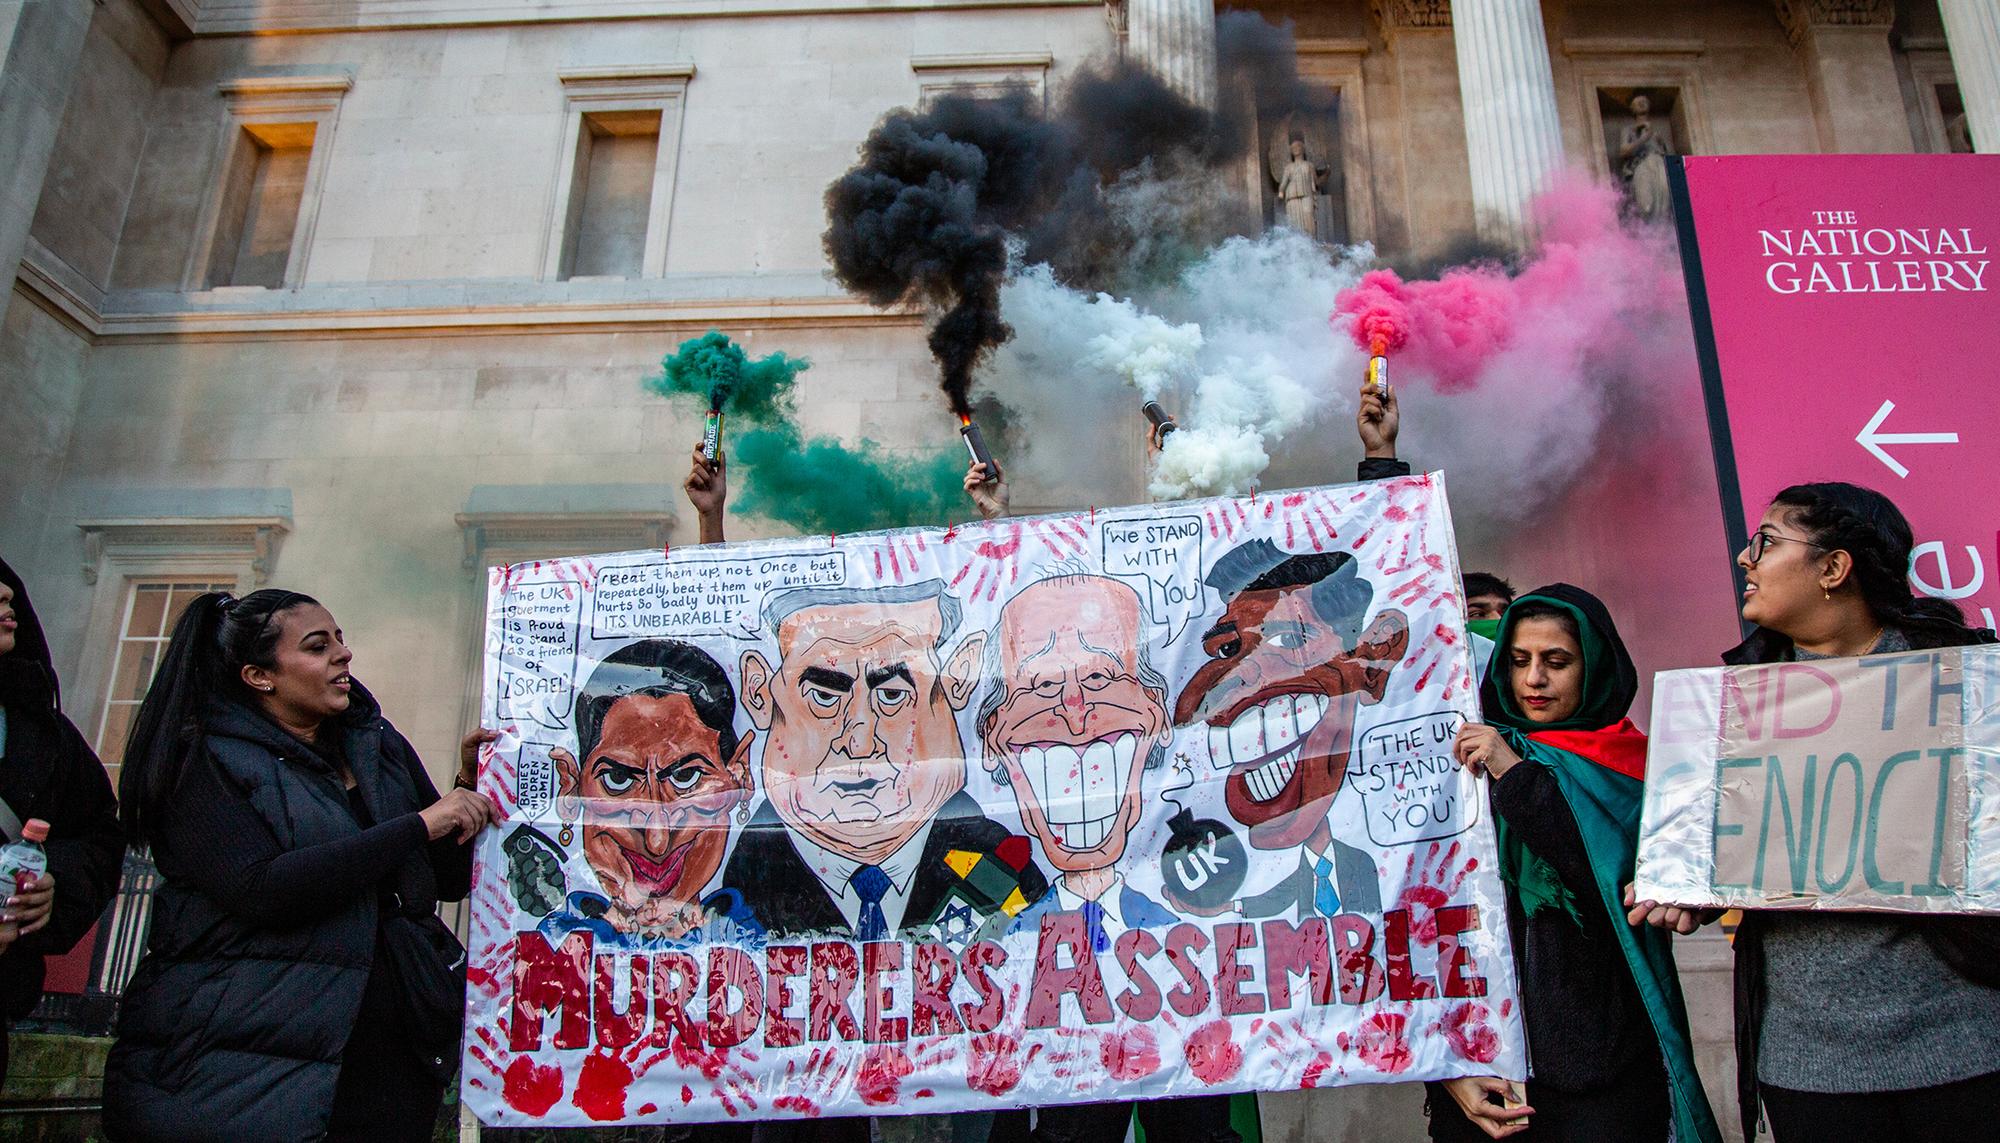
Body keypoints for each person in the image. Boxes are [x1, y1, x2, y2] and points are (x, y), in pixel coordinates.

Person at [1629, 482, 2000, 1143]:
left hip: (1968, 1048)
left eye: (1766, 542)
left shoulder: (1964, 682)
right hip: (1808, 1069)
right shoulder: (1734, 709)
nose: (1745, 559)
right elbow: (1756, 850)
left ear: (1833, 568)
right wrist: (1697, 885)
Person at [103, 589, 498, 1141]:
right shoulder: (203, 759)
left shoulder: (377, 744)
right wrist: (418, 824)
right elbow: (260, 887)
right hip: (240, 1063)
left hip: (385, 1057)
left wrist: (469, 791)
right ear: (258, 676)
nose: (344, 655)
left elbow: (444, 882)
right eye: (318, 646)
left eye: (340, 639)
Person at [1438, 585, 1718, 1143]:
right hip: (1483, 1069)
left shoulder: (1636, 766)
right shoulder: (1464, 758)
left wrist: (1514, 774)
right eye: (1518, 662)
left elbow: (1607, 882)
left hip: (1602, 1069)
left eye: (1556, 662)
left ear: (1594, 667)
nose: (1534, 680)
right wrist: (1448, 1065)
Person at [542, 638, 760, 948]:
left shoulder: (774, 943)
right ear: (571, 788)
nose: (657, 840)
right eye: (618, 779)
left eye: (687, 777)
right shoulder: (541, 954)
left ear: (738, 774)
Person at [0, 559, 124, 1084]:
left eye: (9, 597)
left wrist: (55, 880)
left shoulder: (40, 727)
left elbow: (100, 834)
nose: (8, 600)